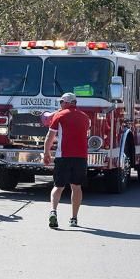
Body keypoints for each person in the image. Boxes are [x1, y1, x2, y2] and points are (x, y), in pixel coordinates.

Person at [43, 92, 90, 228]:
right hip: (81, 157)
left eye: (61, 102)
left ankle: (53, 211)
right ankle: (74, 218)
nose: (60, 105)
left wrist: (46, 153)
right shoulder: (85, 117)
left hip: (63, 156)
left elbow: (49, 136)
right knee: (76, 187)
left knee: (58, 186)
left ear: (66, 102)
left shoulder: (59, 115)